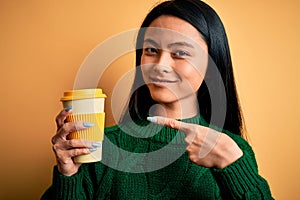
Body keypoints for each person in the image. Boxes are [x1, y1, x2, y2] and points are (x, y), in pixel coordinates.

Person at [42, 0, 274, 199]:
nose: (159, 66)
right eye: (150, 50)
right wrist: (67, 174)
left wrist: (233, 166)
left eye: (180, 53)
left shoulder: (234, 151)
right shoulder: (98, 147)